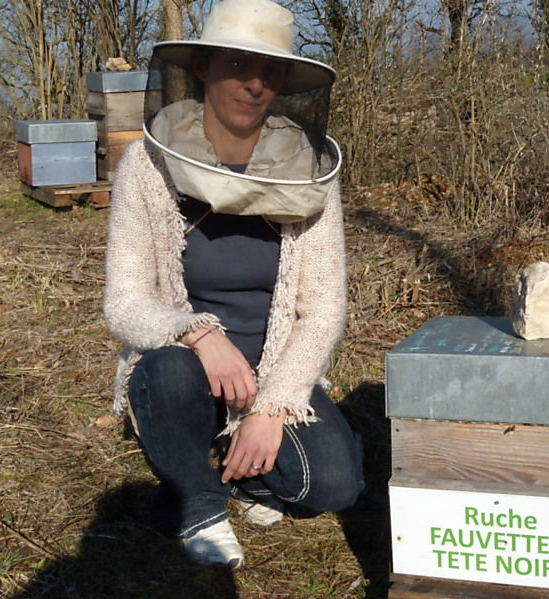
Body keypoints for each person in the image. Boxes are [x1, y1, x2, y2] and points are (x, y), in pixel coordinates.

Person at [103, 0, 364, 569]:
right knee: (167, 369)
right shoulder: (146, 166)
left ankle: (228, 466)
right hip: (189, 367)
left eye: (270, 70)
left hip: (275, 368)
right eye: (240, 64)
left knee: (336, 486)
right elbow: (123, 302)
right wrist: (198, 333)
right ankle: (200, 502)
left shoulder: (310, 172)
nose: (255, 83)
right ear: (202, 66)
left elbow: (322, 310)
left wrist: (271, 409)